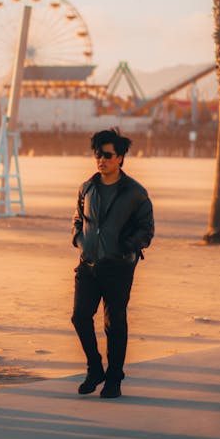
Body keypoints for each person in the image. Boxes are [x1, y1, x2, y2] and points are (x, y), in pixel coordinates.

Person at [71, 127, 154, 398]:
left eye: (107, 155)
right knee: (80, 317)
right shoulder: (87, 187)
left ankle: (114, 379)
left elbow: (146, 229)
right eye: (98, 155)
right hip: (89, 265)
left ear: (120, 158)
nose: (101, 160)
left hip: (118, 268)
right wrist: (79, 240)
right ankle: (95, 368)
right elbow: (78, 219)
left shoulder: (135, 192)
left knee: (114, 324)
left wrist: (126, 248)